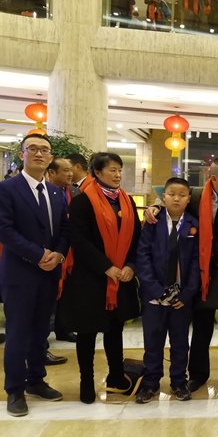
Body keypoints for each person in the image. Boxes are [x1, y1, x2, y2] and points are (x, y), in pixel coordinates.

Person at [145, 157, 218, 394]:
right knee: (201, 327)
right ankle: (198, 374)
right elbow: (172, 200)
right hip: (202, 274)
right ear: (214, 178)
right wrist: (155, 206)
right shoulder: (198, 197)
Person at [59, 152, 141, 404]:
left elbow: (137, 238)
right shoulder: (83, 202)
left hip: (120, 278)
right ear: (97, 172)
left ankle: (116, 376)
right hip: (91, 279)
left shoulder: (126, 200)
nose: (117, 175)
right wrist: (106, 267)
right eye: (112, 170)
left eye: (119, 170)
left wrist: (130, 265)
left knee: (115, 330)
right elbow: (79, 240)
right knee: (87, 332)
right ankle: (86, 381)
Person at [0, 134, 69, 417]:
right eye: (33, 149)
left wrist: (59, 254)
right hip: (20, 273)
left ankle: (36, 380)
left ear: (50, 157)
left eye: (45, 150)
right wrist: (39, 255)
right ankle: (15, 390)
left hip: (49, 274)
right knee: (18, 333)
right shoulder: (7, 189)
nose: (40, 154)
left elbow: (64, 230)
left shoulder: (55, 192)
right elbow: (5, 229)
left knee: (41, 332)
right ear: (22, 154)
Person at [135, 177, 200, 404]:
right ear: (163, 197)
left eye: (182, 195)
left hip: (181, 296)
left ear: (188, 199)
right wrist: (154, 289)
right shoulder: (153, 221)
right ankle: (150, 382)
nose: (176, 198)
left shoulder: (194, 224)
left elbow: (196, 262)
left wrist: (188, 292)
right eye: (172, 194)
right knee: (153, 341)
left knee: (180, 342)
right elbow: (142, 255)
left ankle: (179, 381)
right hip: (155, 295)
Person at [45, 158, 78, 344]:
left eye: (71, 170)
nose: (70, 174)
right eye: (65, 170)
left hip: (68, 251)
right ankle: (41, 343)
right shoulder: (45, 193)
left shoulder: (73, 191)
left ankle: (63, 328)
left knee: (66, 293)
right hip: (49, 253)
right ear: (52, 173)